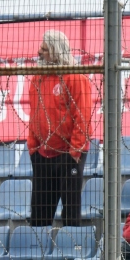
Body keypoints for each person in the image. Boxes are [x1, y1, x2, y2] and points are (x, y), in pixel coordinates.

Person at [27, 30, 93, 227]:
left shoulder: (75, 77)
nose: (39, 52)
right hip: (43, 154)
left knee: (70, 213)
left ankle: (70, 254)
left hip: (68, 154)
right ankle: (38, 256)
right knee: (39, 214)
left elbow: (82, 116)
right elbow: (34, 114)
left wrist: (74, 152)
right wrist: (33, 148)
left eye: (44, 49)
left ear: (56, 52)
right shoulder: (38, 78)